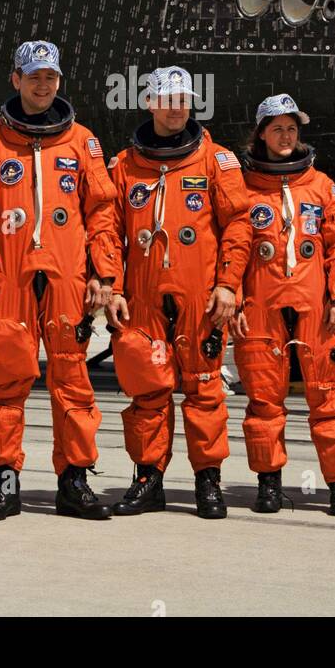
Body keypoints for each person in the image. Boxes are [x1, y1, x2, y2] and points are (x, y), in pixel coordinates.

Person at [0, 41, 119, 521]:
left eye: (50, 76)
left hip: (67, 274)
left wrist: (105, 273)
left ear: (59, 81)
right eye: (33, 76)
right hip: (8, 276)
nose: (42, 84)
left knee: (72, 379)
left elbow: (101, 213)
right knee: (6, 380)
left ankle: (74, 480)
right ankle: (4, 480)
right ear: (15, 79)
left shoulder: (83, 141)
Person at [104, 66, 251, 519]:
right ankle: (148, 480)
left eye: (182, 99)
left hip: (199, 294)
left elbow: (239, 225)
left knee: (205, 390)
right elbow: (107, 229)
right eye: (166, 99)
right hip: (143, 296)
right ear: (149, 103)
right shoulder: (124, 165)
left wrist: (228, 285)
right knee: (147, 390)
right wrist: (111, 285)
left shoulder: (216, 159)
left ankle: (208, 482)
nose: (175, 108)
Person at [233, 94, 335, 516]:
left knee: (328, 398)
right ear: (261, 135)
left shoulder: (322, 186)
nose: (285, 137)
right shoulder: (244, 188)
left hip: (317, 307)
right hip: (260, 305)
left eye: (291, 129)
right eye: (277, 129)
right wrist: (232, 298)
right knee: (263, 402)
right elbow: (230, 248)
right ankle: (269, 484)